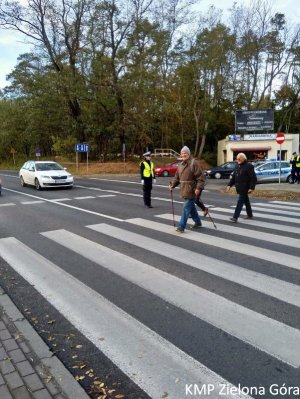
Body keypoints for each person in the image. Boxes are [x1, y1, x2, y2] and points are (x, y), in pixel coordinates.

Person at [169, 146, 206, 232]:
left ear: (189, 154)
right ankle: (198, 222)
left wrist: (198, 188)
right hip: (184, 189)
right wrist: (172, 185)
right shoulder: (180, 165)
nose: (183, 155)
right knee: (191, 207)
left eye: (185, 153)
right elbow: (176, 178)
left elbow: (200, 178)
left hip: (192, 190)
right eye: (182, 153)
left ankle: (181, 227)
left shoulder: (194, 163)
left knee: (186, 207)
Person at [226, 153, 257, 223]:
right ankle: (250, 215)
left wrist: (252, 188)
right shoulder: (237, 166)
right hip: (239, 187)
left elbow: (253, 178)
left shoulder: (249, 166)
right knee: (246, 201)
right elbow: (233, 177)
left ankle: (235, 217)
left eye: (239, 158)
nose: (238, 160)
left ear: (244, 158)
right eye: (237, 159)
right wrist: (229, 185)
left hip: (245, 187)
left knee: (240, 202)